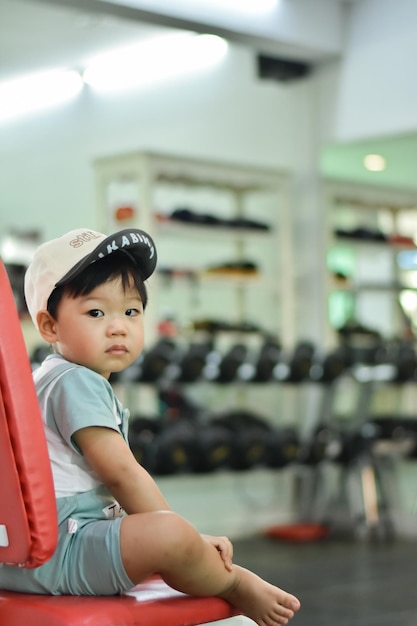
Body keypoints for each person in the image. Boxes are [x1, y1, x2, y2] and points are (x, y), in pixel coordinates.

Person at [0, 227, 301, 625]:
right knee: (170, 534)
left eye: (131, 311)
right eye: (96, 312)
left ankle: (198, 561)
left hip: (23, 558)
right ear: (50, 326)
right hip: (60, 554)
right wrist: (186, 540)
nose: (118, 326)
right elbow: (121, 473)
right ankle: (233, 585)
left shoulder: (48, 378)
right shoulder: (77, 382)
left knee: (159, 532)